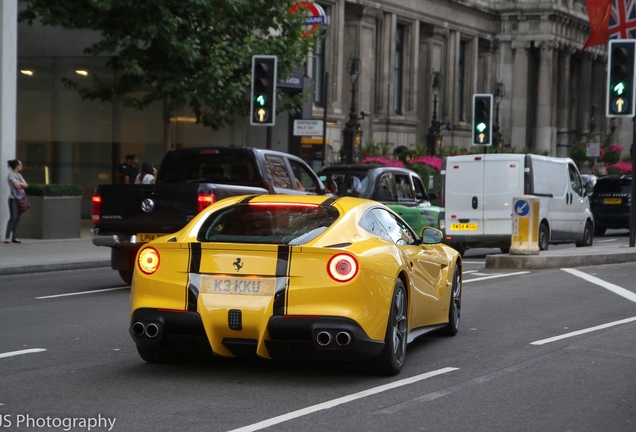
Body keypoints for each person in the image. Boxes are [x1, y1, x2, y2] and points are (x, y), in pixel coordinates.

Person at [5, 159, 28, 244]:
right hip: (13, 199)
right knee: (13, 217)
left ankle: (15, 237)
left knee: (17, 218)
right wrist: (20, 183)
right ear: (17, 166)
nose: (21, 166)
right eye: (20, 164)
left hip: (21, 199)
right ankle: (7, 237)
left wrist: (20, 183)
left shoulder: (19, 175)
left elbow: (26, 185)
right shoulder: (11, 175)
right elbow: (17, 186)